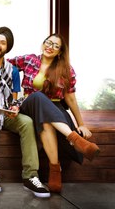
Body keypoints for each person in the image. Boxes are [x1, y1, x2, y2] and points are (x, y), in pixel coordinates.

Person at [7, 33, 100, 193]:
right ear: (43, 44)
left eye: (56, 46)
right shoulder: (29, 59)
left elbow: (71, 99)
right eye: (48, 43)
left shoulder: (66, 69)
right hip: (29, 104)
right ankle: (75, 140)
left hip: (55, 110)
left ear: (60, 52)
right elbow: (2, 63)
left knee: (46, 122)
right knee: (38, 96)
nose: (51, 47)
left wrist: (82, 124)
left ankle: (55, 169)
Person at [0, 26, 50, 198]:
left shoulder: (12, 70)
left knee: (26, 122)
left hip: (1, 114)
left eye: (3, 43)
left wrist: (13, 108)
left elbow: (12, 99)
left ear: (7, 48)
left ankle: (31, 175)